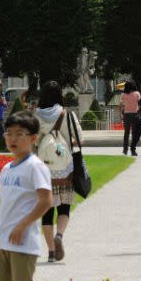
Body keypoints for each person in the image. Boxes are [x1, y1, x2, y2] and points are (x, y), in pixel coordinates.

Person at [0, 111, 53, 281]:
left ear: (33, 138)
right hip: (1, 240)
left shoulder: (35, 166)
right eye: (8, 133)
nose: (12, 139)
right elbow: (6, 206)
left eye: (19, 134)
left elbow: (45, 201)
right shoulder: (7, 169)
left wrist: (22, 226)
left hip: (22, 240)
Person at [33, 80, 82, 262]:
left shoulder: (36, 116)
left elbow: (32, 141)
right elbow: (79, 139)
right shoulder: (66, 114)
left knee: (46, 211)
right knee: (64, 207)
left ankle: (51, 251)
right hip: (64, 169)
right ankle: (59, 236)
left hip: (43, 168)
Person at [120, 80, 141, 155]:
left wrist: (121, 114)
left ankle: (125, 149)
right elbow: (139, 104)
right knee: (134, 133)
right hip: (135, 114)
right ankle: (133, 149)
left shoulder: (123, 95)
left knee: (126, 133)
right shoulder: (137, 94)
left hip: (126, 114)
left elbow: (121, 105)